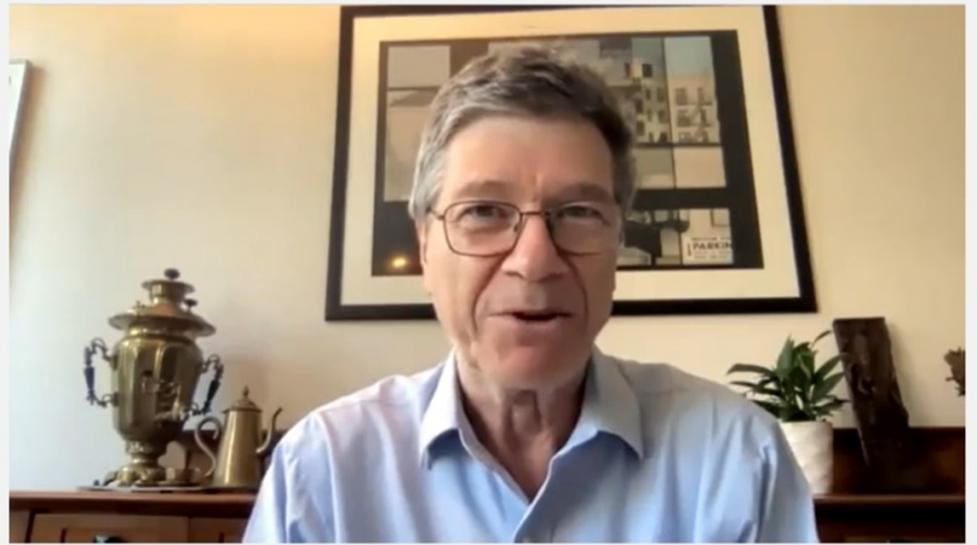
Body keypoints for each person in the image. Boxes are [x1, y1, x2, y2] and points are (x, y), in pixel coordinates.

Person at [244, 45, 819, 542]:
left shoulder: (738, 458)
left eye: (578, 213)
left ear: (618, 243)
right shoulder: (321, 471)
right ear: (425, 249)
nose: (535, 260)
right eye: (484, 212)